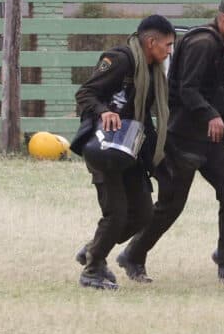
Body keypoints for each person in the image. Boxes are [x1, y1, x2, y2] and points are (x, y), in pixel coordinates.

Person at [120, 0, 224, 284]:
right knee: (171, 205)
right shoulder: (204, 43)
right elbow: (188, 89)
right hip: (183, 136)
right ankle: (132, 254)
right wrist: (211, 114)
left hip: (210, 140)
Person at [70, 15, 175, 290]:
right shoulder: (120, 60)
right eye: (167, 44)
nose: (169, 51)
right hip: (105, 147)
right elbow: (85, 93)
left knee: (142, 214)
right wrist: (104, 112)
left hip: (132, 148)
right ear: (151, 42)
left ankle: (94, 248)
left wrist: (159, 159)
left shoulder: (153, 72)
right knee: (116, 214)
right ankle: (92, 271)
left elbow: (146, 119)